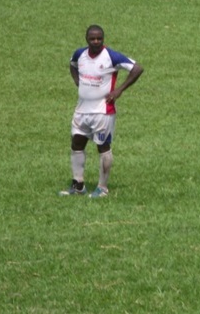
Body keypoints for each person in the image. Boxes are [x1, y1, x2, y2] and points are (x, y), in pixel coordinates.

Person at [60, 25, 144, 198]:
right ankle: (78, 185)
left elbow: (137, 68)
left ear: (103, 39)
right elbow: (72, 64)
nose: (96, 41)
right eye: (92, 38)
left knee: (103, 146)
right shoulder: (80, 54)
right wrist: (77, 80)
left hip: (103, 111)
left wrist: (119, 90)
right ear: (87, 39)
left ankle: (102, 188)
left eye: (99, 38)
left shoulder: (112, 56)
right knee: (76, 143)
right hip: (81, 110)